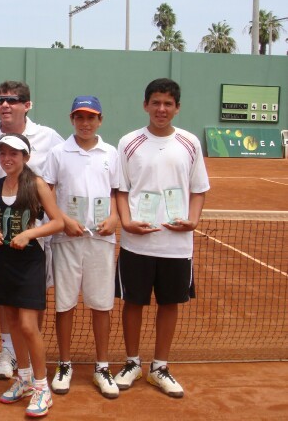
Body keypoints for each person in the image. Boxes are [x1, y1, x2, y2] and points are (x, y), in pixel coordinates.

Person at [113, 78, 209, 398]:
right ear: (145, 105)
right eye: (155, 102)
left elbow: (198, 190)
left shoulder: (190, 143)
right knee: (134, 303)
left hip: (176, 244)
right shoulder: (129, 142)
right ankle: (131, 363)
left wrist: (193, 221)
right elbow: (121, 189)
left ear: (177, 108)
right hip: (136, 242)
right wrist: (126, 222)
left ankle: (160, 366)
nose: (161, 109)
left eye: (168, 103)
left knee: (169, 304)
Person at [0, 80, 64, 380]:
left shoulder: (50, 138)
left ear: (27, 105)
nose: (5, 105)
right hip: (1, 240)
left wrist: (32, 231)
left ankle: (37, 375)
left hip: (34, 243)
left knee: (30, 310)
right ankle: (9, 353)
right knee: (8, 305)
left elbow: (63, 179)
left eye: (13, 100)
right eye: (0, 99)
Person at [41, 96, 120, 399]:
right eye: (80, 117)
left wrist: (114, 218)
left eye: (91, 118)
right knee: (65, 304)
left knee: (101, 304)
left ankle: (101, 366)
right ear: (71, 119)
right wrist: (61, 220)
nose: (85, 123)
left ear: (100, 120)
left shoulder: (111, 154)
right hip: (66, 240)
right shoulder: (59, 152)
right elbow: (47, 191)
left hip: (101, 239)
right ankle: (64, 364)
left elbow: (117, 193)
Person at [0, 133, 64, 418]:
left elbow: (58, 221)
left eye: (13, 154)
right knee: (14, 323)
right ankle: (25, 378)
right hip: (4, 259)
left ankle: (42, 387)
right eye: (2, 153)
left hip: (29, 260)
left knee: (29, 325)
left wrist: (29, 233)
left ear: (26, 157)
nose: (7, 159)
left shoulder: (37, 184)